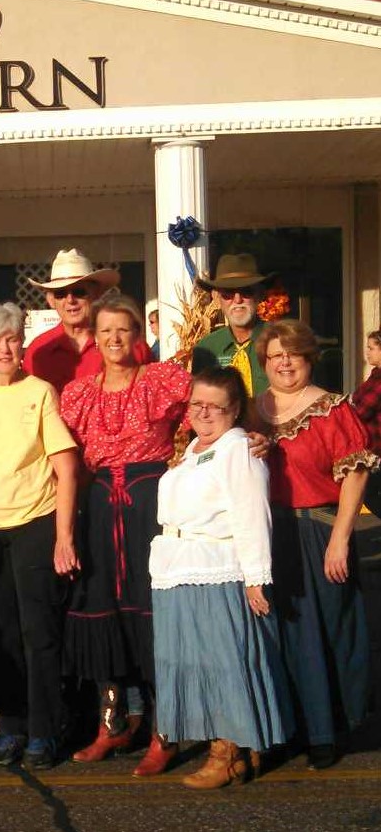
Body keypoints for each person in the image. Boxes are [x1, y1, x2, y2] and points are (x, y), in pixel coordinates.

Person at [60, 294, 190, 776]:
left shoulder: (162, 379)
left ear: (138, 336)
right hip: (97, 509)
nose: (115, 339)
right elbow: (64, 455)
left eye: (125, 330)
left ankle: (165, 731)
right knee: (102, 613)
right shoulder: (78, 392)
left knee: (151, 613)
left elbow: (209, 407)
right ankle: (114, 724)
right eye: (107, 330)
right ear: (95, 336)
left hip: (148, 504)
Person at [151, 367, 291, 789]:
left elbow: (252, 515)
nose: (205, 413)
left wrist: (255, 577)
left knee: (222, 662)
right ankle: (235, 751)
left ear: (235, 411)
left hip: (215, 567)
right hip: (178, 568)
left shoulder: (238, 449)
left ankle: (227, 753)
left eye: (216, 406)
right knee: (196, 662)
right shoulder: (192, 449)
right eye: (197, 404)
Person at [0, 303, 79, 770]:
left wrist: (63, 537)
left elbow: (65, 467)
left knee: (39, 633)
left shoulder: (40, 392)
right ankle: (11, 725)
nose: (5, 348)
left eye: (12, 338)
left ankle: (46, 730)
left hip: (35, 523)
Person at [256, 319, 376, 770]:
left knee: (329, 629)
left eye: (294, 354)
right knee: (283, 634)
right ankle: (293, 728)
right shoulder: (252, 410)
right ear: (265, 362)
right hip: (270, 534)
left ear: (308, 358)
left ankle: (329, 731)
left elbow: (355, 475)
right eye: (276, 355)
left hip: (320, 530)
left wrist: (341, 538)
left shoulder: (331, 409)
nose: (285, 362)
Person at [22, 249, 152, 392]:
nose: (70, 300)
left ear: (96, 293)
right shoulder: (38, 351)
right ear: (51, 301)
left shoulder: (131, 345)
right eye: (61, 294)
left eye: (79, 292)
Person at [192, 253, 276, 398]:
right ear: (217, 299)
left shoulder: (281, 340)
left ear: (260, 294)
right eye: (228, 294)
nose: (237, 300)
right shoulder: (206, 348)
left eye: (246, 292)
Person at [351, 329, 381, 517]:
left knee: (368, 492)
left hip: (377, 449)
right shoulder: (375, 374)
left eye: (371, 348)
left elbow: (362, 410)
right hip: (371, 447)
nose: (367, 352)